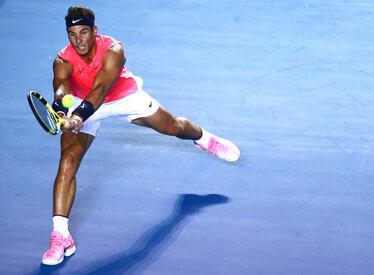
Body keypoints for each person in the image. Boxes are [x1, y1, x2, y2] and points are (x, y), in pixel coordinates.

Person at [41, 6, 240, 266]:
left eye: (84, 32)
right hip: (82, 104)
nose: (78, 40)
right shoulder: (62, 60)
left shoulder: (114, 50)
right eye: (72, 34)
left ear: (95, 31)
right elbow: (61, 88)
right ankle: (60, 234)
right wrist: (58, 108)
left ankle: (204, 138)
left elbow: (101, 89)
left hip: (121, 98)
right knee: (68, 160)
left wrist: (77, 117)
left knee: (173, 127)